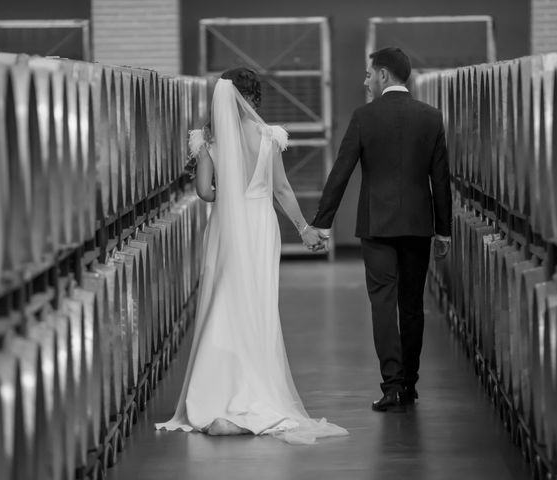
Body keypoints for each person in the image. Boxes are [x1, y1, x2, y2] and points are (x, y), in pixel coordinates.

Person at [155, 67, 348, 444]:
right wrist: (305, 229)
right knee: (257, 304)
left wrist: (223, 186)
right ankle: (255, 391)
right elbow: (282, 190)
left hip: (227, 225)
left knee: (223, 299)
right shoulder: (267, 137)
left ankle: (214, 395)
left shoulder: (209, 142)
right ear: (253, 99)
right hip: (260, 225)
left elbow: (206, 192)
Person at [310, 47, 452, 413]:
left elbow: (341, 171)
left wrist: (322, 222)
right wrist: (444, 230)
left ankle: (390, 385)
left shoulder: (364, 117)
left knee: (383, 304)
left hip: (376, 226)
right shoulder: (431, 118)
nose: (365, 81)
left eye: (368, 74)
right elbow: (441, 179)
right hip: (419, 226)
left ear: (384, 75)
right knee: (412, 306)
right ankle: (410, 383)